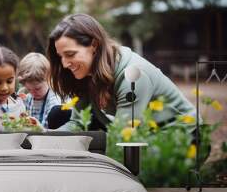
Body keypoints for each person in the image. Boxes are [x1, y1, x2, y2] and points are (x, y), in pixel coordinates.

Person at [47, 13, 197, 131]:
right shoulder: (85, 74)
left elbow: (121, 137)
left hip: (180, 137)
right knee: (58, 114)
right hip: (137, 133)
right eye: (61, 57)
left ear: (94, 45)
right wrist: (48, 138)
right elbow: (78, 124)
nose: (65, 64)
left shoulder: (133, 76)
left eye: (71, 54)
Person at [18, 52, 61, 128]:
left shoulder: (53, 100)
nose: (33, 93)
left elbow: (50, 129)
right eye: (29, 89)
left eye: (37, 88)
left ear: (48, 79)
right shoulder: (28, 98)